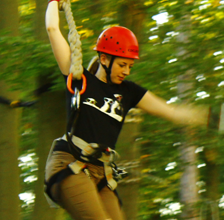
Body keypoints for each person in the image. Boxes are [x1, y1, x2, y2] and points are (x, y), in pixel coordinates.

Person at [43, 0, 207, 219]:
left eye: (130, 66)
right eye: (122, 65)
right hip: (71, 163)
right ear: (104, 59)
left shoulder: (128, 92)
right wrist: (54, 2)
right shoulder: (80, 79)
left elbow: (171, 112)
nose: (127, 71)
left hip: (101, 172)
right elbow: (53, 28)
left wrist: (208, 117)